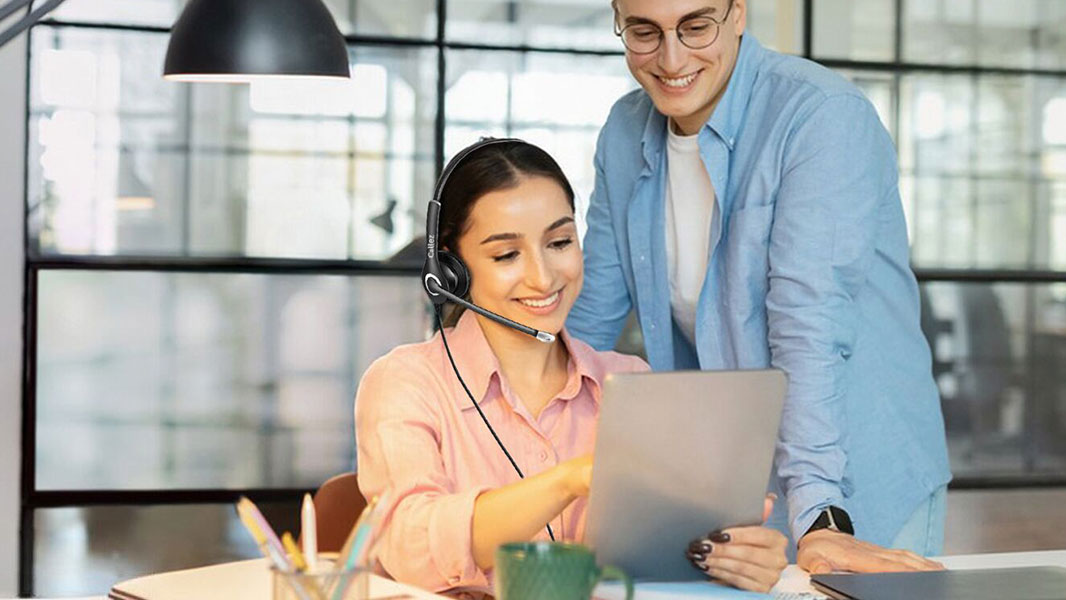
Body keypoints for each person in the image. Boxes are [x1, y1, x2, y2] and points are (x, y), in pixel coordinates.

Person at [566, 0, 952, 574]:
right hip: (738, 481)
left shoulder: (819, 116)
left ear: (738, 13)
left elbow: (807, 324)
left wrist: (821, 513)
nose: (672, 59)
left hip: (855, 472)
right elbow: (586, 324)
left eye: (696, 26)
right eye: (644, 32)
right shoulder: (626, 133)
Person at [354, 140, 789, 593]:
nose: (543, 278)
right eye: (506, 255)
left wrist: (731, 559)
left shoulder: (631, 383)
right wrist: (567, 481)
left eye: (560, 242)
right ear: (451, 268)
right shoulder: (406, 382)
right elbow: (410, 545)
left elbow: (656, 563)